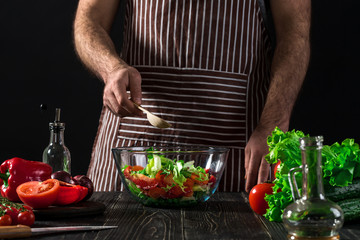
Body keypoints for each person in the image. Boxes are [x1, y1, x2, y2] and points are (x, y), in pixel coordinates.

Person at [73, 0, 311, 193]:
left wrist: (272, 125)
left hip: (236, 143)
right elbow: (89, 20)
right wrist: (111, 68)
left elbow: (295, 35)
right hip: (136, 135)